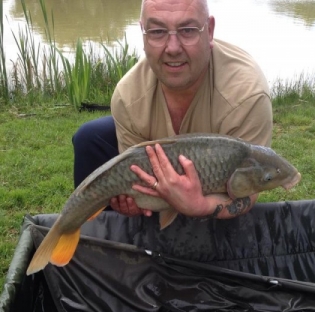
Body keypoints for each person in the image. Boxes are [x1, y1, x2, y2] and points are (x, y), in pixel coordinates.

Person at [72, 0, 273, 223]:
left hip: (217, 191)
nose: (173, 48)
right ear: (144, 34)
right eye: (158, 31)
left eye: (188, 30)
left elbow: (249, 192)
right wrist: (135, 201)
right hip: (158, 176)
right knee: (89, 138)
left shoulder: (247, 95)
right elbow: (135, 175)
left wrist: (201, 205)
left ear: (210, 31)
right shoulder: (128, 95)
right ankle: (92, 230)